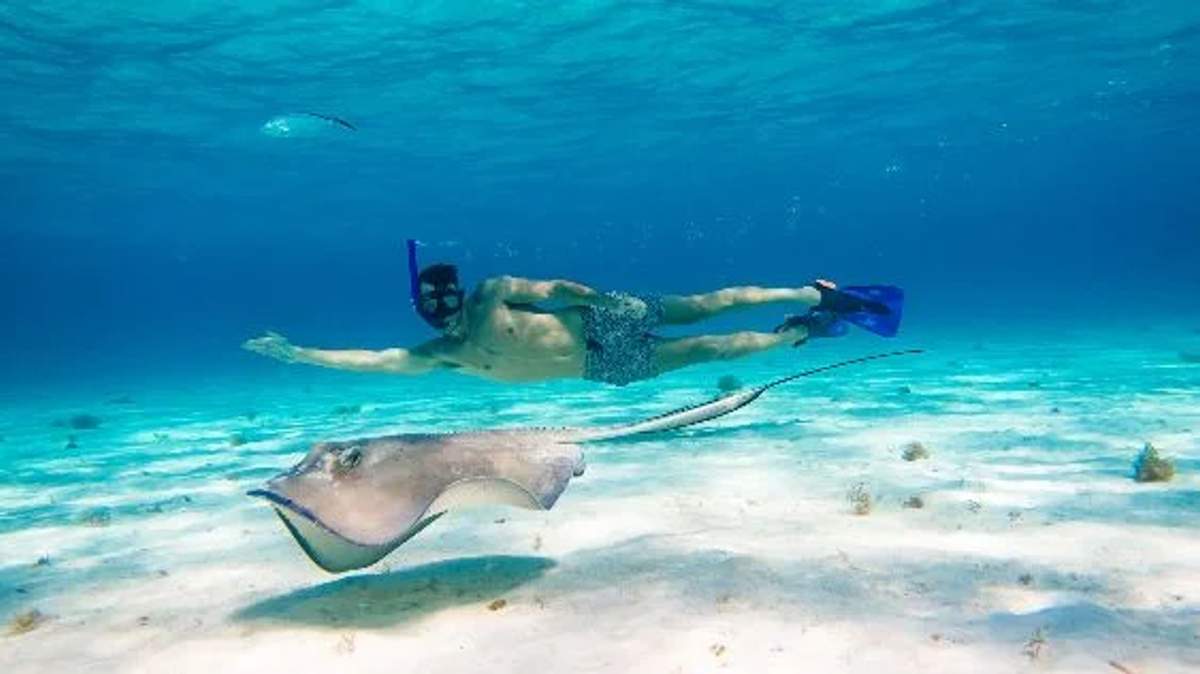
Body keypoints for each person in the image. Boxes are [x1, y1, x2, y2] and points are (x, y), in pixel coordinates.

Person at [243, 252, 901, 386]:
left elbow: (547, 285)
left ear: (459, 295)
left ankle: (816, 294)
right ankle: (799, 335)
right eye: (432, 311)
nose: (445, 319)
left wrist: (579, 290)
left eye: (449, 303)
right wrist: (301, 353)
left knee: (705, 305)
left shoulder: (492, 294)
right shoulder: (444, 354)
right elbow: (376, 360)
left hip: (597, 320)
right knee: (710, 352)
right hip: (597, 366)